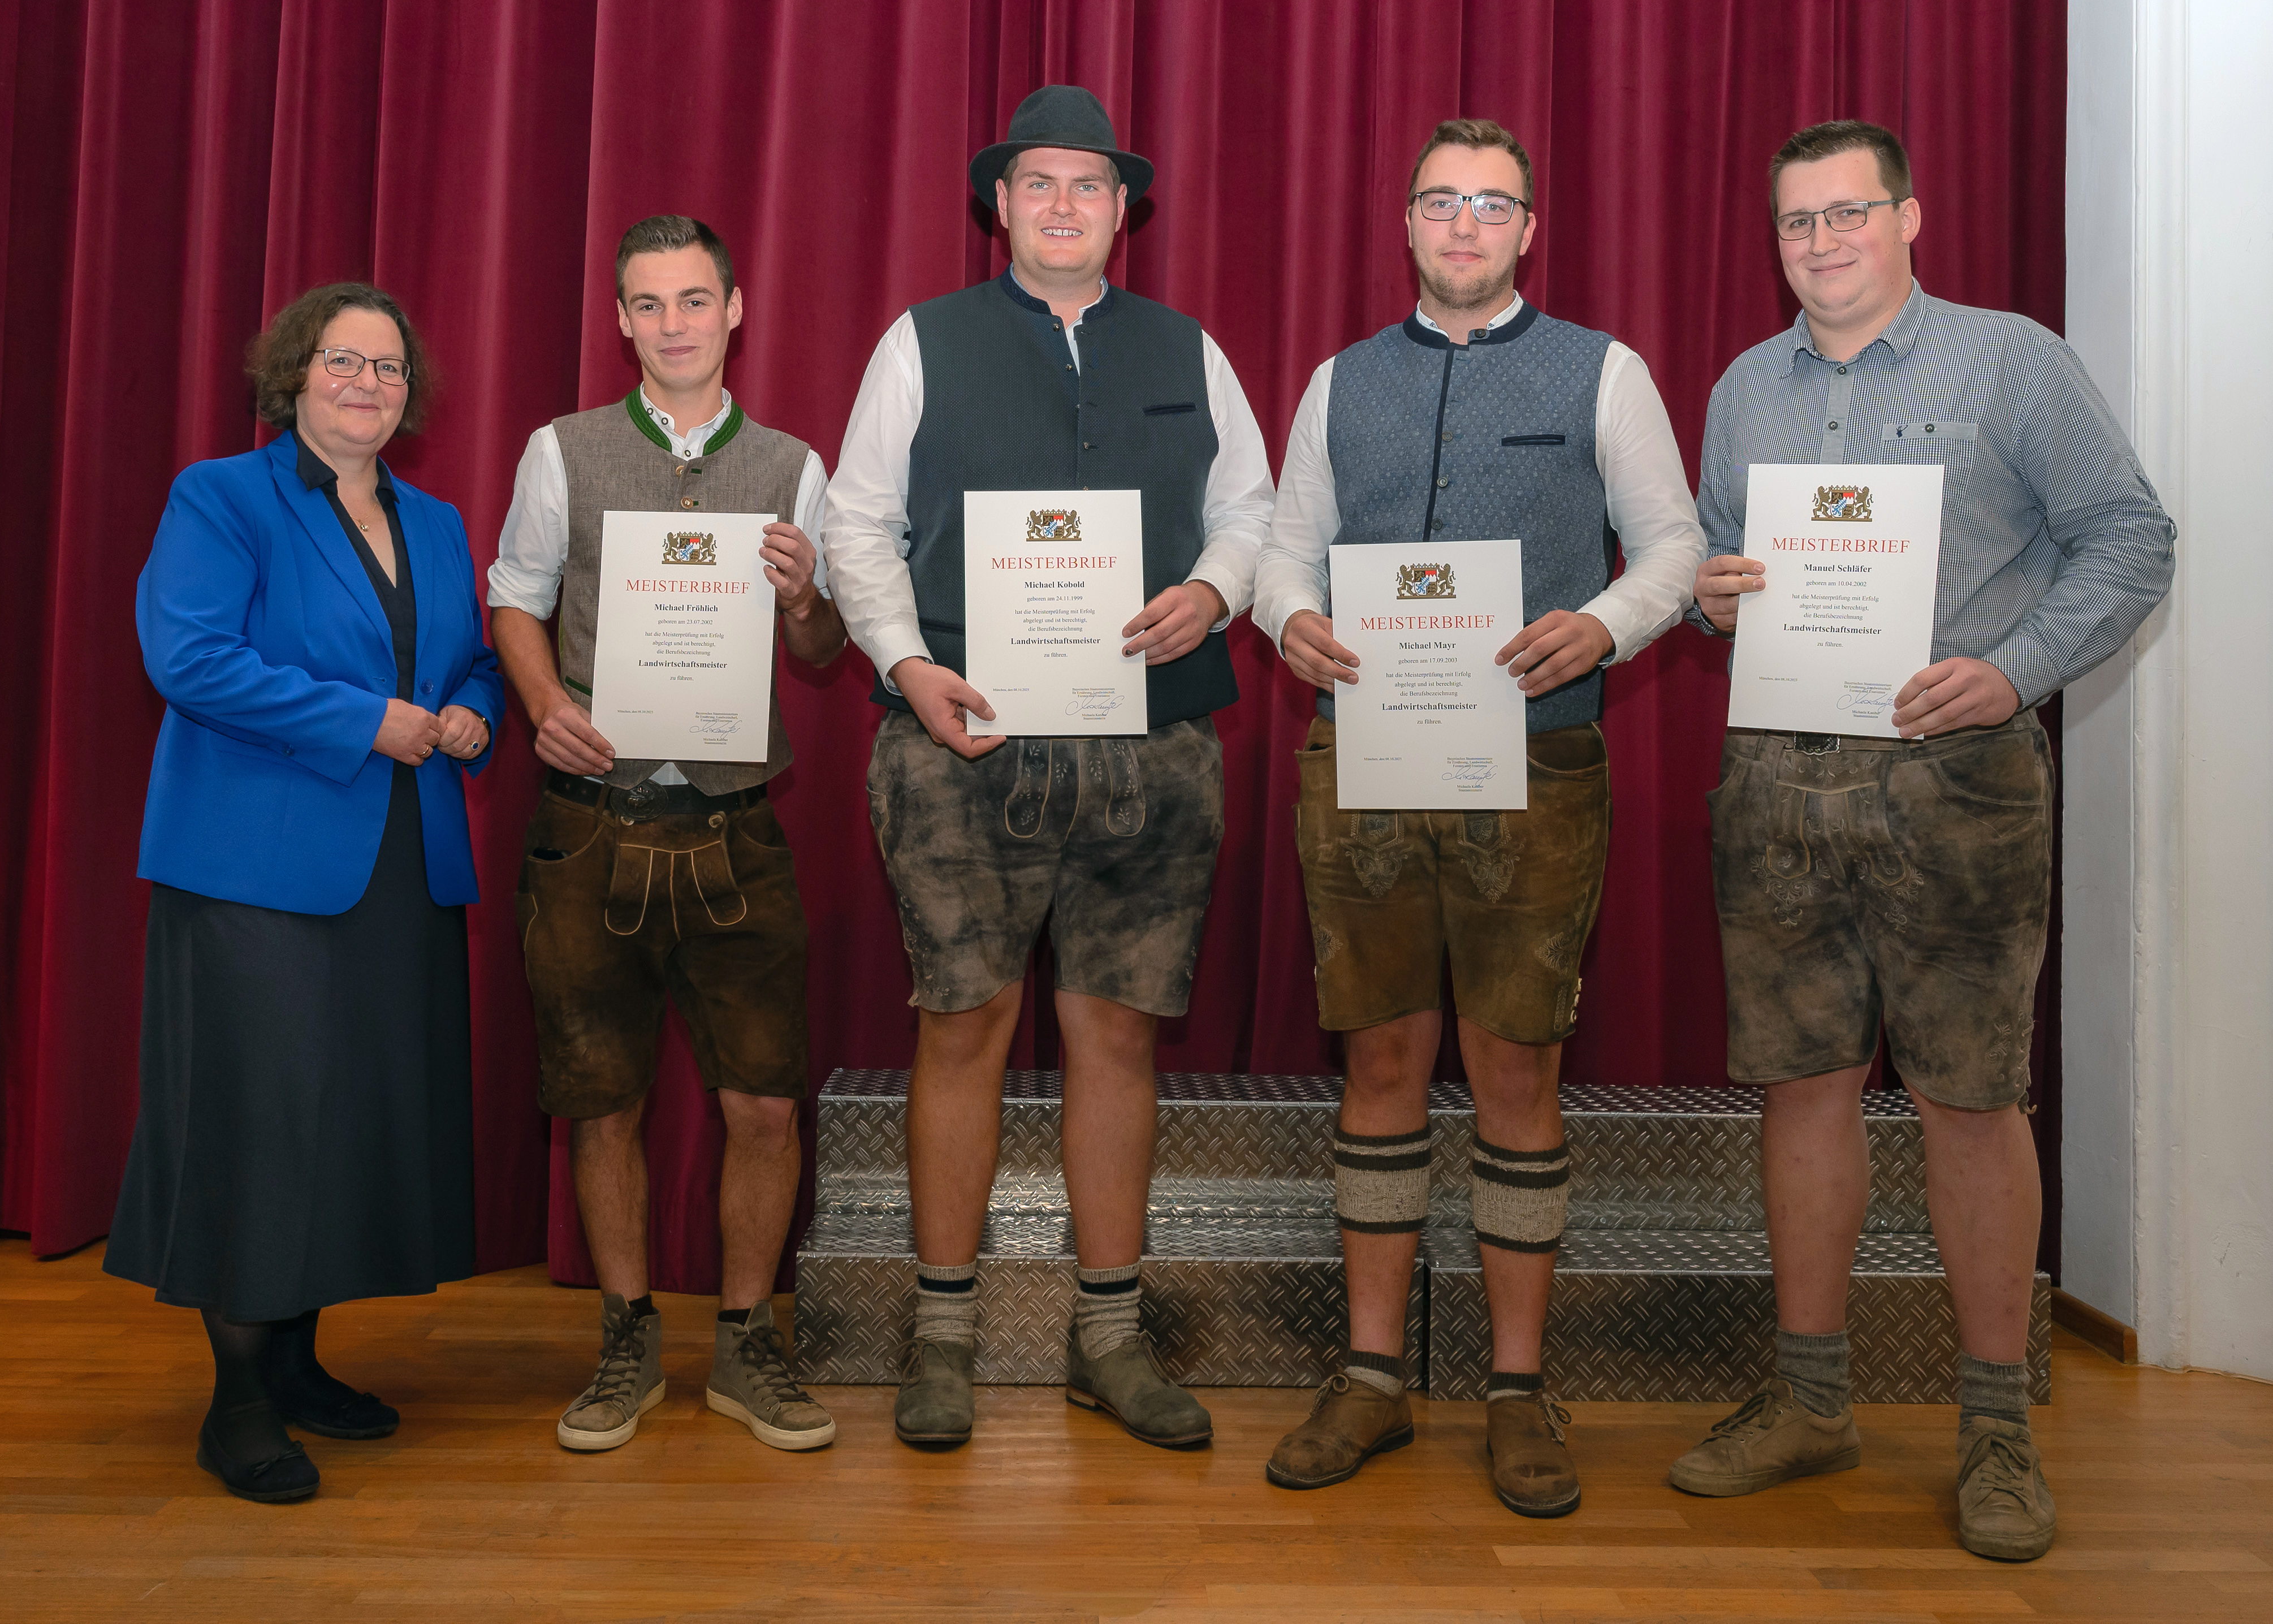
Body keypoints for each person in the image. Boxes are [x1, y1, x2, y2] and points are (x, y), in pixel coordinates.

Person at [1670, 120, 2175, 1562]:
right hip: (1779, 779)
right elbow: (1717, 560)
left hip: (1960, 782)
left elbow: (2131, 535)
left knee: (1970, 1096)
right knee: (1801, 1088)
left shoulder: (2012, 362)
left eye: (1849, 214)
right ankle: (1811, 1398)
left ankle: (1997, 1426)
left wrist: (2015, 670)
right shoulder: (1744, 387)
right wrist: (1712, 593)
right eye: (1798, 222)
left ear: (1909, 217)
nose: (1822, 242)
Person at [1250, 118, 1704, 1514]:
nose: (1464, 225)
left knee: (1516, 1073)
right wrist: (1291, 619)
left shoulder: (1605, 371)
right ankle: (1372, 1374)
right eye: (1441, 201)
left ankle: (1516, 1385)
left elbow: (1674, 546)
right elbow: (1283, 549)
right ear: (1405, 222)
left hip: (1538, 765)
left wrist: (1607, 624)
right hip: (1365, 762)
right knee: (1382, 1061)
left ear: (1527, 229)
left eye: (1492, 204)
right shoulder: (1338, 381)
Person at [823, 84, 1274, 1449]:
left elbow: (1252, 509)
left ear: (1122, 208)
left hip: (1153, 748)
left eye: (1088, 184)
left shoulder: (1191, 349)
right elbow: (857, 524)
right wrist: (905, 661)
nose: (1063, 204)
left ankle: (1110, 1336)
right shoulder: (921, 341)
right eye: (1038, 183)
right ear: (1000, 203)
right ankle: (944, 1333)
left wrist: (1215, 590)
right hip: (963, 738)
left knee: (1117, 1033)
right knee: (961, 1025)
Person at [107, 282, 503, 1504]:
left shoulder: (435, 520)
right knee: (261, 1122)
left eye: (388, 368)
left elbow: (474, 658)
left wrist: (473, 713)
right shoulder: (222, 497)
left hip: (398, 867)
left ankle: (295, 1364)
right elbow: (188, 656)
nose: (366, 384)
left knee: (343, 1122)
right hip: (254, 871)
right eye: (343, 361)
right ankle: (234, 1400)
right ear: (293, 374)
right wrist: (365, 720)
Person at [487, 215, 847, 1455]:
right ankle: (627, 1334)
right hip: (594, 827)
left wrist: (804, 596)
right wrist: (545, 704)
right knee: (602, 1104)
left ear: (735, 309)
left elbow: (822, 650)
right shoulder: (563, 449)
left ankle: (747, 1342)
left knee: (765, 1106)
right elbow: (515, 596)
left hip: (737, 832)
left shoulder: (795, 465)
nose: (674, 323)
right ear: (621, 320)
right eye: (649, 303)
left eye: (696, 299)